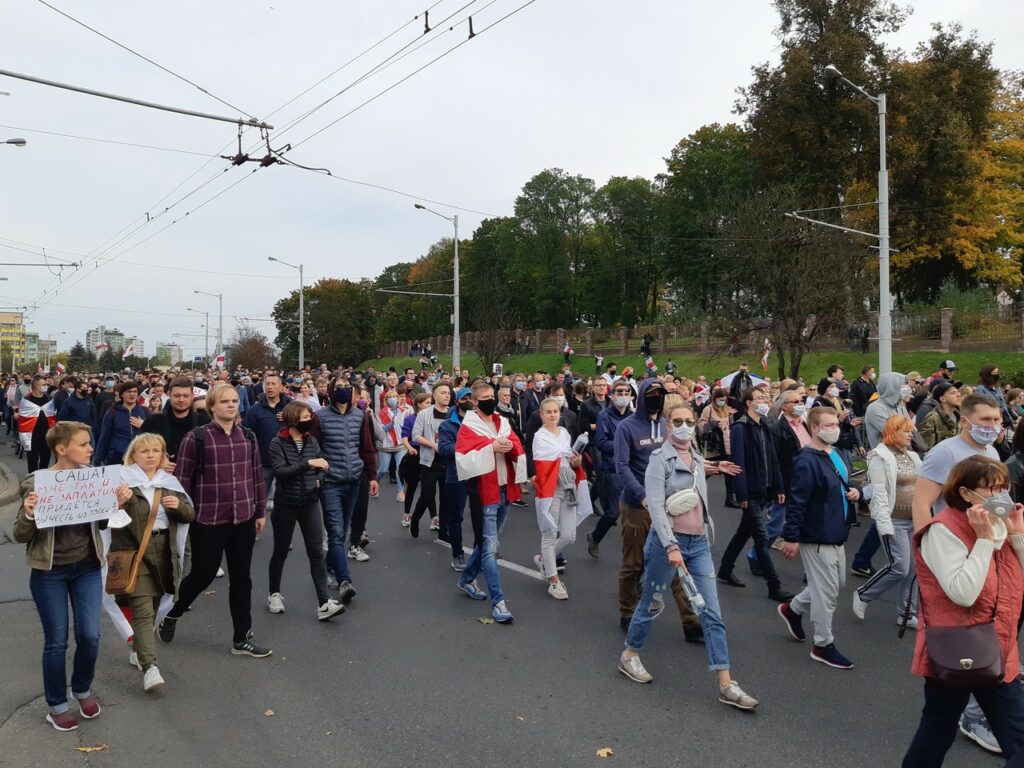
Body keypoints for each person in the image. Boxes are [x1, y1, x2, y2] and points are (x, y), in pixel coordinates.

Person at [618, 402, 756, 709]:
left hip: (699, 545)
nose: (684, 426)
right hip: (667, 545)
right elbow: (655, 506)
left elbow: (692, 469)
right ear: (667, 425)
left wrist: (716, 467)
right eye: (677, 421)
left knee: (712, 612)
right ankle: (630, 655)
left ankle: (725, 682)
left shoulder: (694, 455)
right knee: (652, 603)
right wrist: (670, 546)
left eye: (689, 421)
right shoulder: (657, 460)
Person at [901, 456, 1024, 765]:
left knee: (1019, 736)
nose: (1001, 495)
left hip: (1000, 648)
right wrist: (983, 541)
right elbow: (964, 593)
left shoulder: (1000, 526)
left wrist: (1017, 535)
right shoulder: (942, 530)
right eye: (992, 487)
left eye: (1004, 486)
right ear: (967, 493)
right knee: (936, 733)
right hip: (958, 649)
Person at [14, 421, 129, 731]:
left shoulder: (95, 479)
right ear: (62, 449)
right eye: (84, 443)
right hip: (49, 573)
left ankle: (82, 689)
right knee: (56, 642)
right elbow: (20, 534)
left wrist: (115, 504)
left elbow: (103, 523)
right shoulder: (37, 482)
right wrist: (28, 512)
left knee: (90, 636)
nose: (91, 448)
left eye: (90, 443)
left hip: (87, 568)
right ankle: (57, 704)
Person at [910, 392, 1004, 754]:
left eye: (996, 420)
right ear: (965, 420)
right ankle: (973, 707)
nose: (992, 427)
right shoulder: (945, 453)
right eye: (984, 421)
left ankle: (975, 700)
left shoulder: (992, 454)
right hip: (950, 551)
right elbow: (922, 502)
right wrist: (927, 555)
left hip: (982, 549)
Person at [159, 383, 272, 658]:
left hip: (243, 517)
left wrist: (259, 511)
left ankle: (241, 638)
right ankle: (172, 613)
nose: (231, 405)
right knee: (203, 574)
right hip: (208, 520)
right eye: (225, 401)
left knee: (242, 579)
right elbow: (182, 482)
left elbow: (256, 476)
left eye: (234, 401)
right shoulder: (196, 438)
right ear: (211, 406)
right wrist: (183, 516)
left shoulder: (248, 436)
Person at [614, 378, 702, 640]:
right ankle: (627, 611)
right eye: (652, 394)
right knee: (634, 563)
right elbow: (622, 466)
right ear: (641, 397)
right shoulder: (626, 427)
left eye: (661, 394)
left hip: (668, 505)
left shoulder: (667, 427)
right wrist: (641, 495)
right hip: (637, 506)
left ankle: (690, 620)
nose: (657, 397)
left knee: (675, 560)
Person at [777, 407, 862, 670]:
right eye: (828, 425)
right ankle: (823, 644)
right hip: (817, 535)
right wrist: (790, 537)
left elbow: (842, 484)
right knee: (827, 593)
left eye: (836, 423)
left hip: (836, 531)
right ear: (814, 428)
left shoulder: (833, 454)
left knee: (836, 584)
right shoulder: (806, 459)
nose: (835, 428)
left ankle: (793, 608)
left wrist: (856, 492)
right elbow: (797, 501)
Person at [111, 434, 195, 692]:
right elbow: (105, 520)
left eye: (156, 450)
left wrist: (178, 506)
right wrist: (118, 502)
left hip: (164, 551)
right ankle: (150, 668)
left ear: (163, 455)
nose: (150, 455)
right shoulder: (122, 481)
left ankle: (138, 648)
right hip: (134, 553)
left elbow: (190, 515)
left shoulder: (169, 483)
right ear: (133, 454)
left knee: (157, 604)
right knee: (143, 611)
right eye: (144, 450)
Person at [266, 402, 345, 622]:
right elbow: (281, 472)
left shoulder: (311, 440)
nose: (309, 419)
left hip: (310, 502)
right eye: (304, 416)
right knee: (280, 551)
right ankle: (274, 593)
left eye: (309, 415)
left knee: (316, 552)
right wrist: (308, 462)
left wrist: (318, 480)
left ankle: (323, 602)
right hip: (285, 504)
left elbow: (322, 468)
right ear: (292, 420)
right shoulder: (277, 443)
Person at [455, 380, 526, 623]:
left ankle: (466, 579)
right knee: (490, 548)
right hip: (486, 494)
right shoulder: (469, 426)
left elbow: (516, 444)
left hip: (506, 489)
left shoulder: (502, 421)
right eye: (484, 396)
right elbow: (464, 459)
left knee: (488, 543)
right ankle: (499, 602)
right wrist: (491, 447)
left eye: (491, 395)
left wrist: (508, 446)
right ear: (474, 402)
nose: (490, 399)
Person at [717, 387, 794, 602]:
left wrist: (779, 487)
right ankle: (774, 586)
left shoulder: (764, 426)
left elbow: (773, 459)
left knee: (744, 532)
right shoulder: (741, 428)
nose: (765, 400)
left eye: (766, 397)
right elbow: (738, 463)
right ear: (749, 403)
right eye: (760, 398)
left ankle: (725, 568)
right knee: (761, 538)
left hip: (764, 490)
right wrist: (741, 494)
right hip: (750, 492)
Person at [853, 415, 921, 627]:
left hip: (914, 520)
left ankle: (907, 613)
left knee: (913, 568)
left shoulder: (913, 456)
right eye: (906, 431)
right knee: (900, 566)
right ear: (893, 432)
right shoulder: (879, 456)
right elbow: (879, 492)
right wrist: (883, 524)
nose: (911, 434)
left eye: (911, 430)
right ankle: (864, 594)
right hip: (894, 520)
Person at [317, 376, 378, 604]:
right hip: (331, 482)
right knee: (335, 531)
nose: (343, 391)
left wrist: (371, 476)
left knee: (341, 533)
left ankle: (328, 568)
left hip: (354, 480)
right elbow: (314, 447)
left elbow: (367, 447)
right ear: (332, 391)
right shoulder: (320, 417)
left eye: (346, 388)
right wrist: (319, 475)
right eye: (339, 387)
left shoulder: (359, 416)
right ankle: (344, 581)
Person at [531, 398, 590, 599]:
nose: (553, 415)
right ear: (542, 415)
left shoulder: (564, 433)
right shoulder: (539, 437)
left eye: (555, 411)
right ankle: (554, 581)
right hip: (550, 489)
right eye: (548, 412)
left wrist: (576, 461)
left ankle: (544, 560)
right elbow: (545, 464)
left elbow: (569, 459)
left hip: (568, 487)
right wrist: (565, 458)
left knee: (568, 536)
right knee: (549, 533)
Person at [586, 379, 632, 557]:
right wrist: (625, 445)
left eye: (626, 392)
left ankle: (632, 550)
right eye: (619, 392)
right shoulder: (604, 415)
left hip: (630, 470)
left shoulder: (632, 416)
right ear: (612, 395)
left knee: (633, 513)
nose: (622, 396)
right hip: (611, 470)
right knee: (612, 513)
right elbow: (601, 442)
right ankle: (595, 537)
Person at [438, 388, 474, 571]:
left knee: (480, 516)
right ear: (458, 402)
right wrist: (466, 446)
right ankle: (458, 554)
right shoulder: (447, 425)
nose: (469, 400)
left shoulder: (479, 422)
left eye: (471, 398)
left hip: (477, 474)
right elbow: (444, 449)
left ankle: (479, 553)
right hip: (456, 475)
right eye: (465, 398)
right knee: (456, 517)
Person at [410, 382, 451, 537]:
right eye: (442, 393)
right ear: (434, 396)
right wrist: (433, 445)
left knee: (446, 497)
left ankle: (443, 530)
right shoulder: (424, 414)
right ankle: (415, 519)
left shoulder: (452, 413)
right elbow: (416, 435)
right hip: (430, 461)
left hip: (448, 462)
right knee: (427, 495)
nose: (447, 395)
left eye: (448, 392)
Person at [243, 373, 287, 503]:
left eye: (274, 384)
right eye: (267, 384)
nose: (270, 387)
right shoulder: (254, 410)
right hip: (263, 462)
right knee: (259, 500)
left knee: (287, 501)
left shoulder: (291, 407)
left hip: (286, 461)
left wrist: (290, 417)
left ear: (281, 387)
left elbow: (305, 423)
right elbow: (247, 435)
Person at [697, 387, 736, 507]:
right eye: (720, 400)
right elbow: (701, 423)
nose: (722, 402)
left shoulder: (726, 409)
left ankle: (729, 498)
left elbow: (731, 424)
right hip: (715, 445)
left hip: (727, 443)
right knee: (709, 470)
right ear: (714, 399)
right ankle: (694, 489)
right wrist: (713, 425)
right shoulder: (708, 409)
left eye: (724, 400)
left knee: (729, 472)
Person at [95, 381, 146, 467]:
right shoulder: (112, 412)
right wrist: (97, 461)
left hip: (139, 459)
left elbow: (154, 435)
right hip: (116, 459)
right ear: (121, 395)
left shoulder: (145, 411)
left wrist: (144, 426)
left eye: (134, 392)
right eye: (129, 392)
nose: (132, 394)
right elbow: (104, 437)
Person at [399, 393, 431, 521]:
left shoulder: (431, 419)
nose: (430, 405)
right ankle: (407, 513)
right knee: (411, 486)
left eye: (431, 403)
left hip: (428, 452)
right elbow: (405, 437)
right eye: (427, 403)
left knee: (428, 487)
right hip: (415, 453)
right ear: (419, 404)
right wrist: (410, 448)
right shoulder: (409, 419)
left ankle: (434, 517)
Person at [18, 375, 56, 472]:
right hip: (32, 433)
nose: (46, 386)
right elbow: (22, 418)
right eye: (43, 384)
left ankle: (42, 478)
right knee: (32, 458)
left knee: (46, 456)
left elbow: (52, 415)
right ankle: (32, 478)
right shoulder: (26, 400)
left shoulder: (49, 398)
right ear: (36, 386)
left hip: (46, 432)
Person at [917, 381, 961, 451]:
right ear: (943, 399)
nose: (958, 395)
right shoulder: (932, 419)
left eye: (958, 392)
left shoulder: (960, 417)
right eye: (953, 393)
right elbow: (925, 449)